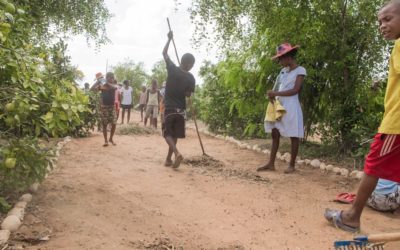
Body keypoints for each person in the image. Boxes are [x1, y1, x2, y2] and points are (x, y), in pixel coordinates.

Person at [324, 0, 400, 232]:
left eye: (388, 19)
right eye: (379, 22)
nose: (382, 26)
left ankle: (352, 216)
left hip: (396, 124)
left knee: (374, 165)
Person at [257, 43, 306, 174]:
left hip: (291, 106)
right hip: (280, 105)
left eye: (280, 59)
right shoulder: (283, 71)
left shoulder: (300, 70)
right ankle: (271, 163)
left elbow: (295, 90)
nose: (279, 62)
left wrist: (276, 94)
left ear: (288, 57)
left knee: (294, 135)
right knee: (275, 132)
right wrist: (272, 95)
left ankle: (291, 165)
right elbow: (279, 87)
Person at [162, 31, 195, 168]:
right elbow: (188, 95)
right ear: (189, 64)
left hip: (169, 108)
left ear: (182, 61)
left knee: (167, 134)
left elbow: (164, 54)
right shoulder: (191, 77)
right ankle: (168, 159)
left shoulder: (172, 68)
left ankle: (176, 153)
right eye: (192, 64)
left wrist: (169, 39)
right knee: (174, 134)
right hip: (181, 110)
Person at [92, 72, 118, 146]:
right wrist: (98, 81)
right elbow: (92, 89)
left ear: (114, 79)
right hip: (104, 107)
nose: (111, 79)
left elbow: (113, 88)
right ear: (106, 78)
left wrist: (105, 82)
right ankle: (106, 141)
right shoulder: (102, 86)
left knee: (114, 123)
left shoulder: (114, 85)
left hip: (112, 107)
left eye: (112, 77)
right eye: (109, 77)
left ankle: (111, 138)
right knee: (104, 124)